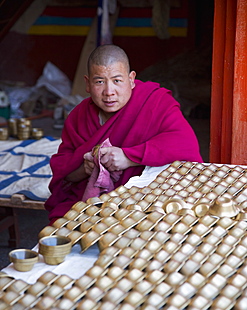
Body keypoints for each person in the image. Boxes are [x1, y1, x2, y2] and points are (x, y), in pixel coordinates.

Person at [45, 44, 203, 222]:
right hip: (95, 203)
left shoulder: (155, 102)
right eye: (99, 82)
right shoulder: (79, 116)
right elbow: (64, 172)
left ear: (131, 79)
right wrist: (85, 169)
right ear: (87, 84)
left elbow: (184, 143)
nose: (109, 92)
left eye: (117, 80)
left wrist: (128, 157)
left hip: (149, 199)